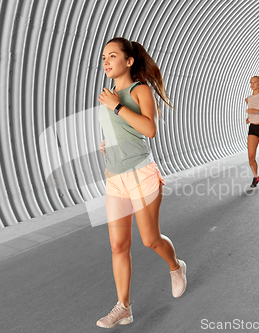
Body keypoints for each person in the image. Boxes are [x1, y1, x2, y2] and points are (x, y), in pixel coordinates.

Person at [95, 37, 187, 329]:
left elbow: (149, 129)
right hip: (115, 178)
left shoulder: (139, 90)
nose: (107, 61)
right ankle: (124, 307)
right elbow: (121, 132)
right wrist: (107, 144)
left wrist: (117, 107)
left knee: (149, 239)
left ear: (129, 61)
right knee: (118, 245)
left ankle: (176, 267)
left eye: (112, 56)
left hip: (142, 175)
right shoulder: (108, 95)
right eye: (104, 57)